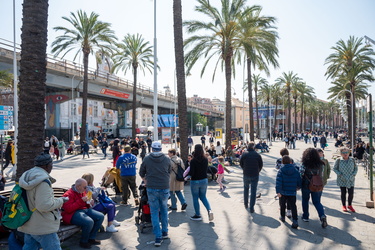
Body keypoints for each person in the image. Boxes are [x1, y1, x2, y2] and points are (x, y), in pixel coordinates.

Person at [18, 153, 68, 250]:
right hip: (42, 226)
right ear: (46, 166)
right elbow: (43, 206)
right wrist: (61, 200)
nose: (52, 167)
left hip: (28, 223)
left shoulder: (26, 175)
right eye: (51, 164)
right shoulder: (43, 181)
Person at [139, 141, 171, 247]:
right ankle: (165, 232)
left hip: (152, 188)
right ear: (161, 148)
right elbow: (169, 171)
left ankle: (158, 236)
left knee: (154, 212)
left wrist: (145, 180)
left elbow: (141, 172)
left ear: (152, 148)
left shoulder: (147, 158)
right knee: (164, 209)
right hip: (164, 187)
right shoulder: (167, 159)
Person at [62, 178, 104, 249]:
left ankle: (91, 238)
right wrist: (81, 201)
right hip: (72, 213)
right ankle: (83, 241)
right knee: (89, 222)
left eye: (87, 186)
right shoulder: (68, 194)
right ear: (78, 186)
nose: (86, 188)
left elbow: (85, 205)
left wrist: (89, 203)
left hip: (83, 210)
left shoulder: (82, 191)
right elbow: (68, 209)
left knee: (100, 216)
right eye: (85, 187)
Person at [300, 148, 328, 228]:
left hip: (306, 185)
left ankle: (305, 216)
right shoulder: (321, 164)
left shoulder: (305, 164)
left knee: (305, 200)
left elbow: (301, 174)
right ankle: (322, 216)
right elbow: (322, 174)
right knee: (317, 202)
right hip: (317, 185)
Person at [189, 144, 214, 222]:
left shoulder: (193, 160)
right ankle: (209, 210)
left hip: (195, 181)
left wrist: (187, 176)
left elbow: (192, 172)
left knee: (195, 197)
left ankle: (197, 214)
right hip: (204, 180)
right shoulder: (205, 159)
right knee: (203, 197)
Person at [276, 155, 301, 229]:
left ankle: (282, 216)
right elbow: (299, 180)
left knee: (282, 204)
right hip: (292, 191)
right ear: (290, 162)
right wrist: (298, 187)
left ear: (283, 162)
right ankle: (295, 220)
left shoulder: (281, 170)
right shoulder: (295, 170)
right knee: (293, 206)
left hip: (283, 191)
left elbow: (278, 182)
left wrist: (278, 191)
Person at [333, 147, 358, 212]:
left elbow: (356, 168)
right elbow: (335, 168)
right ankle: (344, 205)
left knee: (351, 193)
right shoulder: (338, 160)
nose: (345, 154)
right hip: (342, 179)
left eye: (346, 152)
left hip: (351, 179)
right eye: (343, 153)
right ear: (341, 154)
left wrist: (353, 174)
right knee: (343, 193)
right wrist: (340, 174)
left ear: (349, 153)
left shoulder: (352, 159)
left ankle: (350, 205)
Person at [240, 142, 263, 213]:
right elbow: (261, 165)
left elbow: (241, 163)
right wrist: (258, 171)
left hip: (246, 174)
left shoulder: (244, 154)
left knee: (246, 189)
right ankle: (252, 207)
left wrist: (244, 169)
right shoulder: (257, 155)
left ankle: (246, 204)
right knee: (253, 191)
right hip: (255, 174)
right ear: (254, 147)